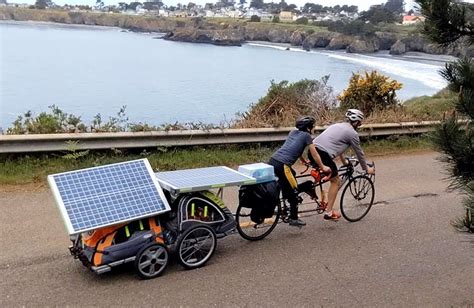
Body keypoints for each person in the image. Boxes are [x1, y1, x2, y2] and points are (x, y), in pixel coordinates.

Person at [310, 109, 375, 221]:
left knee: (330, 175)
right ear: (356, 122)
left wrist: (344, 162)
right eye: (360, 122)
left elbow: (338, 146)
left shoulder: (337, 126)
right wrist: (366, 169)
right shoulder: (352, 133)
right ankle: (329, 213)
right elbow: (360, 153)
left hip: (312, 152)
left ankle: (321, 195)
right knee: (336, 181)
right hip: (323, 155)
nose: (360, 125)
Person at [268, 116, 331, 227]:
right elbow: (315, 154)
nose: (314, 128)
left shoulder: (293, 132)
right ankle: (293, 218)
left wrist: (302, 160)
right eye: (313, 126)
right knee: (294, 191)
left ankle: (285, 195)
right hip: (283, 165)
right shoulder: (307, 136)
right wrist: (322, 167)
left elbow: (294, 147)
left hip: (273, 160)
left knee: (292, 175)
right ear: (308, 128)